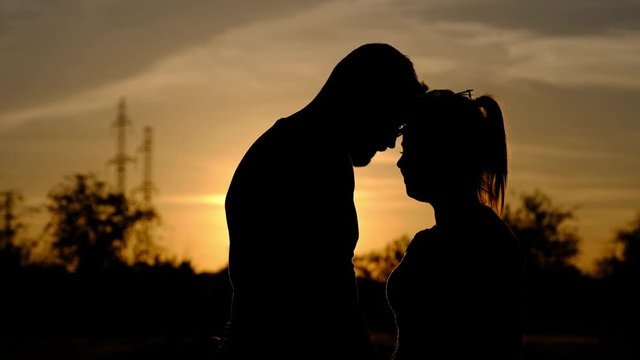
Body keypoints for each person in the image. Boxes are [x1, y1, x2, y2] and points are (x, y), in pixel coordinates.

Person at [217, 43, 428, 359]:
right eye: (391, 122)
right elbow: (332, 302)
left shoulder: (285, 145)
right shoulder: (315, 159)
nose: (388, 143)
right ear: (366, 100)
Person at [386, 89, 525, 359]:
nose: (401, 162)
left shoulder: (484, 244)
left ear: (443, 153)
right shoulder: (432, 241)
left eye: (411, 150)